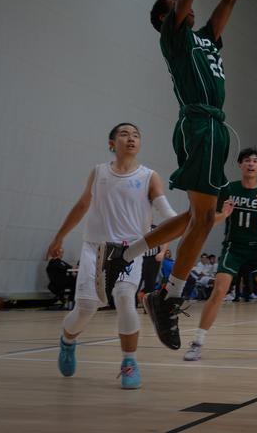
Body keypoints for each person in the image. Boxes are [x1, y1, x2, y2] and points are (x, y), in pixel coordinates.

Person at [98, 0, 237, 351]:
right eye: (178, 5)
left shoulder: (206, 39)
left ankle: (128, 252)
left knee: (199, 217)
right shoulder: (173, 38)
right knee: (205, 218)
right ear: (167, 16)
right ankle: (167, 296)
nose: (190, 6)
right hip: (200, 123)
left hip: (212, 127)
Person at [45, 123, 177, 389]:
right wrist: (59, 237)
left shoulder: (149, 176)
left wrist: (185, 226)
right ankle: (67, 342)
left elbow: (167, 213)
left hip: (129, 251)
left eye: (136, 135)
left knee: (126, 299)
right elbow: (82, 206)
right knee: (86, 307)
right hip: (95, 248)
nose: (131, 138)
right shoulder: (99, 172)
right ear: (111, 143)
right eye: (125, 134)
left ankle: (129, 361)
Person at [184, 147, 257, 360]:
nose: (251, 164)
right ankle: (197, 342)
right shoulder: (228, 190)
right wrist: (226, 214)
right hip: (233, 247)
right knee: (219, 291)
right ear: (240, 165)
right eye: (247, 160)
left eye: (255, 161)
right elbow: (212, 221)